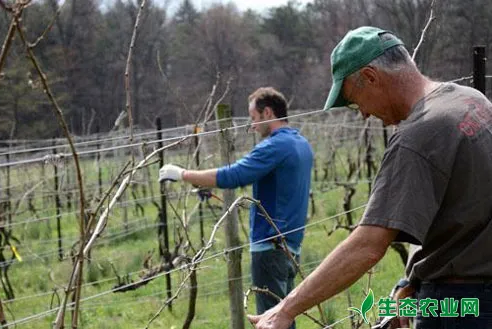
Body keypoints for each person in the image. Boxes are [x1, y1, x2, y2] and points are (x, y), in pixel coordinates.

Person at [247, 26, 492, 329]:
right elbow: (456, 212)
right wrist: (412, 281)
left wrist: (285, 309)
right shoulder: (469, 99)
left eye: (354, 99)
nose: (362, 114)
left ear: (372, 77)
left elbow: (369, 245)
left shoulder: (417, 136)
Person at [159, 87, 313, 328]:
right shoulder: (301, 143)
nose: (251, 125)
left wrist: (182, 174)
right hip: (291, 246)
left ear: (267, 113)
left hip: (270, 248)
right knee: (285, 317)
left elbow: (235, 175)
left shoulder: (274, 146)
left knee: (272, 320)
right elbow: (275, 185)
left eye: (253, 118)